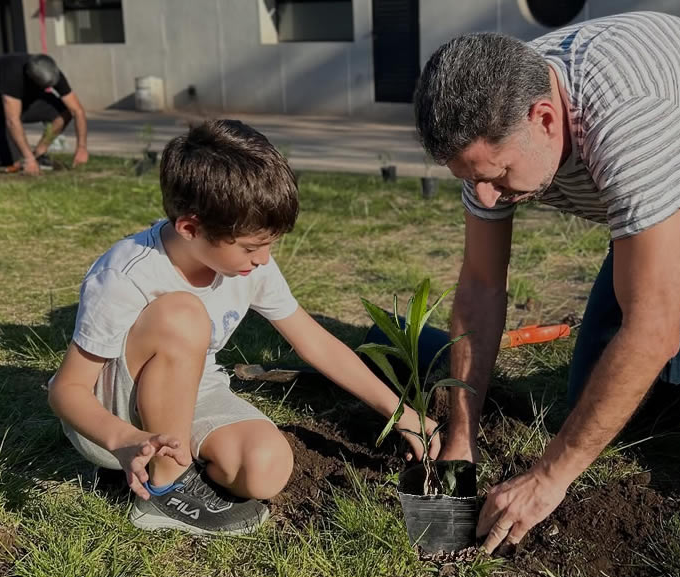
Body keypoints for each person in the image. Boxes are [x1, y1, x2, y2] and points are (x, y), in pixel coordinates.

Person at [413, 12, 680, 553]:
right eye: (470, 179)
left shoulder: (623, 115)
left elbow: (651, 328)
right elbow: (481, 288)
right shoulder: (490, 124)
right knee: (595, 398)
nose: (484, 196)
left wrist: (548, 478)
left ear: (545, 119)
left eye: (496, 174)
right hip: (675, 194)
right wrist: (461, 437)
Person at [47, 119, 439, 535]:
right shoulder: (126, 275)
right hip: (112, 415)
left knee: (267, 467)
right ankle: (164, 490)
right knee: (183, 314)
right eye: (253, 247)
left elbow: (315, 342)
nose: (264, 259)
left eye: (270, 244)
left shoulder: (251, 266)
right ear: (190, 228)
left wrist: (400, 414)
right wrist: (124, 439)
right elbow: (66, 389)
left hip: (190, 391)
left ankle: (168, 463)